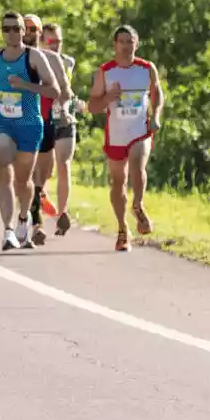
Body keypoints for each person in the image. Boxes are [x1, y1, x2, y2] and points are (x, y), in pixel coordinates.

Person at [0, 11, 71, 251]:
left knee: (23, 180)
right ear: (2, 32)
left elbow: (54, 91)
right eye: (7, 29)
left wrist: (25, 85)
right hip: (4, 123)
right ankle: (7, 230)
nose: (12, 33)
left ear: (23, 32)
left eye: (16, 29)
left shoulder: (34, 57)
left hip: (30, 125)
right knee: (4, 167)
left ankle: (24, 217)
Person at [87, 25, 164, 251]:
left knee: (137, 163)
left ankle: (138, 205)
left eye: (130, 41)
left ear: (136, 44)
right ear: (115, 45)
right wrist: (108, 97)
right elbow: (93, 106)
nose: (125, 46)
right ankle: (122, 229)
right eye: (121, 41)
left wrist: (156, 115)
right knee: (118, 181)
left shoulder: (146, 68)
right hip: (116, 134)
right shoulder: (105, 71)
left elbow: (157, 93)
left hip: (140, 129)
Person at [33, 20, 80, 241]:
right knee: (43, 171)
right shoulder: (34, 60)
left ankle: (63, 213)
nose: (56, 45)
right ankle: (37, 208)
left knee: (64, 164)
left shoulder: (68, 62)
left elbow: (67, 90)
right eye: (51, 41)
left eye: (59, 41)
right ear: (42, 41)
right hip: (42, 119)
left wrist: (71, 105)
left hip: (64, 119)